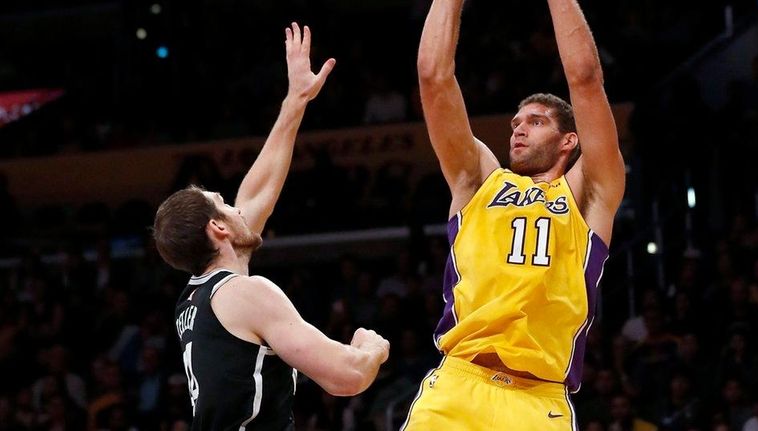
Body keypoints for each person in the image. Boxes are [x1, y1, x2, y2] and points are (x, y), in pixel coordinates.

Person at [152, 23, 390, 431]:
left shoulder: (196, 300)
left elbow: (256, 195)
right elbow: (345, 377)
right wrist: (371, 347)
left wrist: (295, 99)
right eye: (224, 205)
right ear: (218, 230)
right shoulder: (246, 294)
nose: (238, 208)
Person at [403, 0, 625, 429]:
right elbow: (433, 78)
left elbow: (585, 79)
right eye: (516, 122)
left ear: (568, 141)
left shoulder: (589, 192)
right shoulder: (478, 180)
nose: (519, 128)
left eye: (537, 121)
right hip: (457, 386)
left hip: (537, 400)